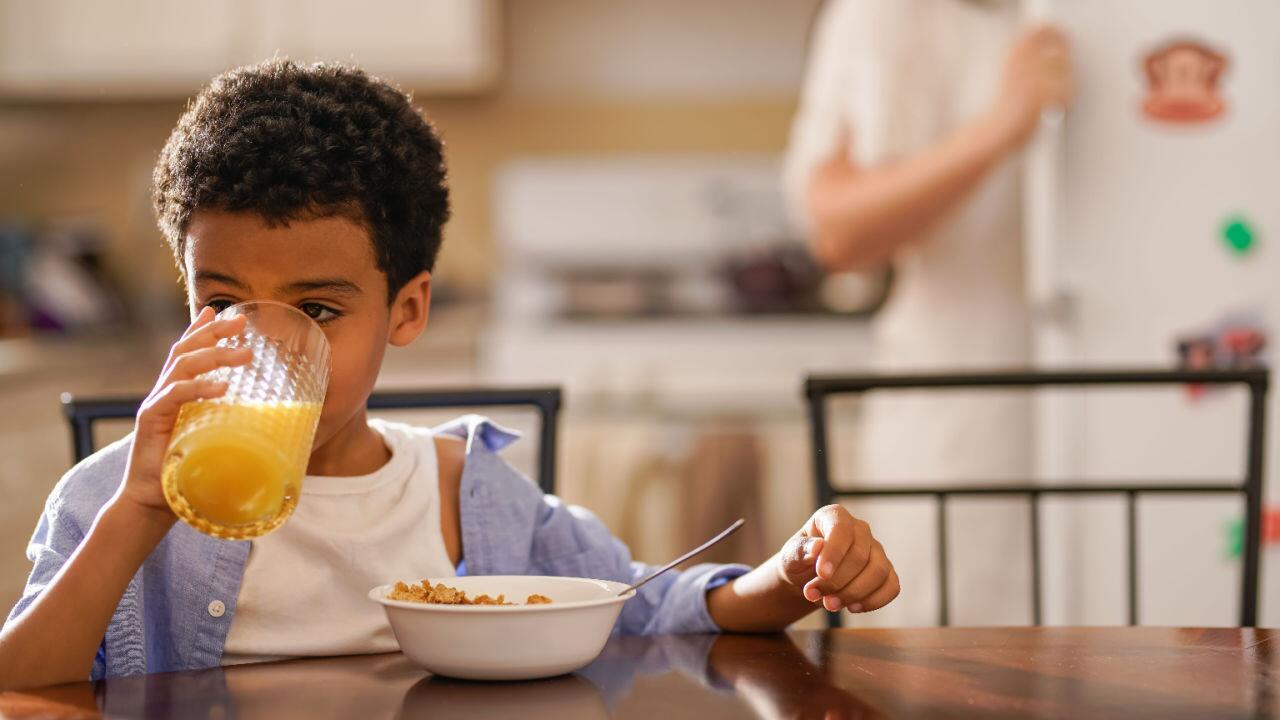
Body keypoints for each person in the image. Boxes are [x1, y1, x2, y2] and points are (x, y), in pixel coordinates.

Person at [0, 59, 899, 691]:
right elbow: (22, 681)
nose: (265, 347)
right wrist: (138, 513)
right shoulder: (115, 497)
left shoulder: (471, 494)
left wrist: (787, 575)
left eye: (315, 312)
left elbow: (651, 607)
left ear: (408, 309)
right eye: (222, 305)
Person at [783, 0, 1072, 626]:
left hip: (1136, 396)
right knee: (960, 656)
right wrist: (1004, 124)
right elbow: (837, 230)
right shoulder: (880, 16)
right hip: (963, 411)